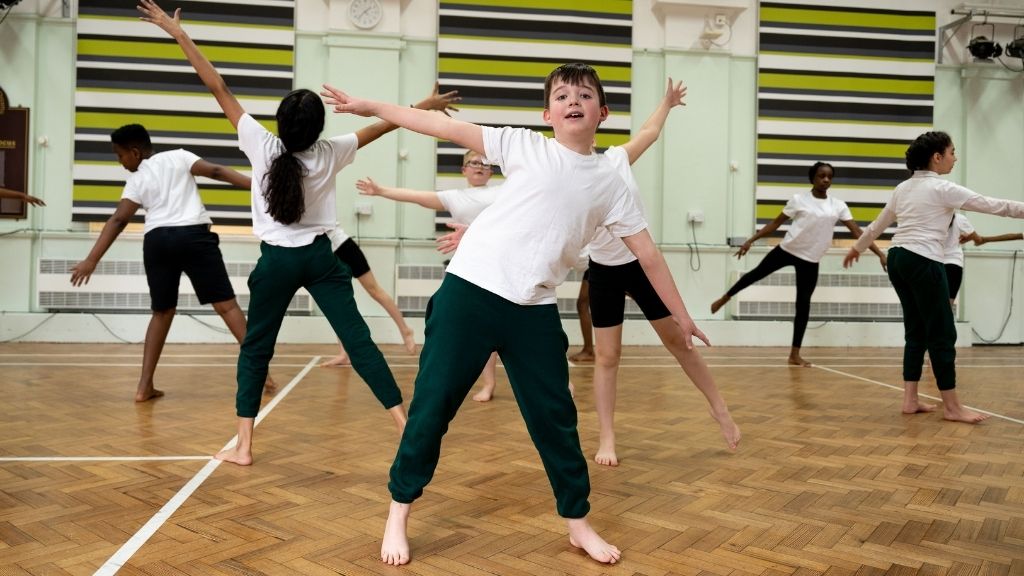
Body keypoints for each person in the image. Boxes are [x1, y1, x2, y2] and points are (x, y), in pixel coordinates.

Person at [324, 62, 709, 567]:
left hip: (534, 308)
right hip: (470, 294)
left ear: (602, 112)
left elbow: (650, 255)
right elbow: (439, 125)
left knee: (556, 419)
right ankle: (399, 508)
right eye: (563, 95)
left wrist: (681, 316)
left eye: (585, 95)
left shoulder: (612, 182)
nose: (574, 100)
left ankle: (577, 522)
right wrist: (370, 106)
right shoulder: (524, 146)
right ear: (548, 114)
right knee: (433, 408)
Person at [137, 0, 454, 465]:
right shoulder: (332, 151)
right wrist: (423, 105)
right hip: (323, 260)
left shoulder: (260, 145)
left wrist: (178, 33)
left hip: (277, 263)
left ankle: (243, 446)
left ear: (281, 124)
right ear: (318, 127)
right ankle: (405, 428)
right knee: (359, 341)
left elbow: (217, 85)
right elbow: (383, 126)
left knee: (256, 350)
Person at [586, 79, 739, 467]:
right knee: (607, 357)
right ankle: (607, 436)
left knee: (680, 342)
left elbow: (648, 132)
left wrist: (667, 102)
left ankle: (719, 408)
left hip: (639, 265)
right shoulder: (561, 176)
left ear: (600, 117)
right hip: (603, 270)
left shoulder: (616, 159)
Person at [69, 123, 268, 402]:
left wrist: (92, 259)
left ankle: (143, 387)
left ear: (135, 152)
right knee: (226, 305)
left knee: (162, 312)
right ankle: (263, 375)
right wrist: (258, 187)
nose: (119, 161)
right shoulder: (179, 156)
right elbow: (216, 171)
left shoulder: (137, 179)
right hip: (193, 237)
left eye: (120, 155)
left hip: (158, 242)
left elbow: (118, 219)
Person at [843, 131, 1024, 423]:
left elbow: (878, 225)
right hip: (923, 260)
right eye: (952, 152)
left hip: (898, 258)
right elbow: (995, 205)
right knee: (942, 333)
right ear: (937, 157)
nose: (955, 158)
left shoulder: (903, 188)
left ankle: (910, 399)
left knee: (916, 330)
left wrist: (857, 248)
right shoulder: (943, 188)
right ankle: (952, 407)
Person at [354, 150, 504, 401]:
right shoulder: (456, 197)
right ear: (463, 169)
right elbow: (418, 197)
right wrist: (381, 191)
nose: (479, 166)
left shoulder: (503, 192)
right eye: (473, 162)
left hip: (504, 267)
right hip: (472, 270)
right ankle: (487, 384)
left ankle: (560, 381)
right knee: (476, 329)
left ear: (492, 170)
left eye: (485, 163)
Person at [711, 162, 887, 366]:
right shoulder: (798, 200)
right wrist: (751, 240)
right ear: (813, 178)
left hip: (810, 259)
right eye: (821, 176)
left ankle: (794, 354)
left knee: (803, 306)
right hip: (787, 250)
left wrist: (880, 254)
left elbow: (857, 232)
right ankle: (725, 297)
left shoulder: (837, 206)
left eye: (829, 176)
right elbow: (775, 224)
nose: (826, 180)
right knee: (756, 273)